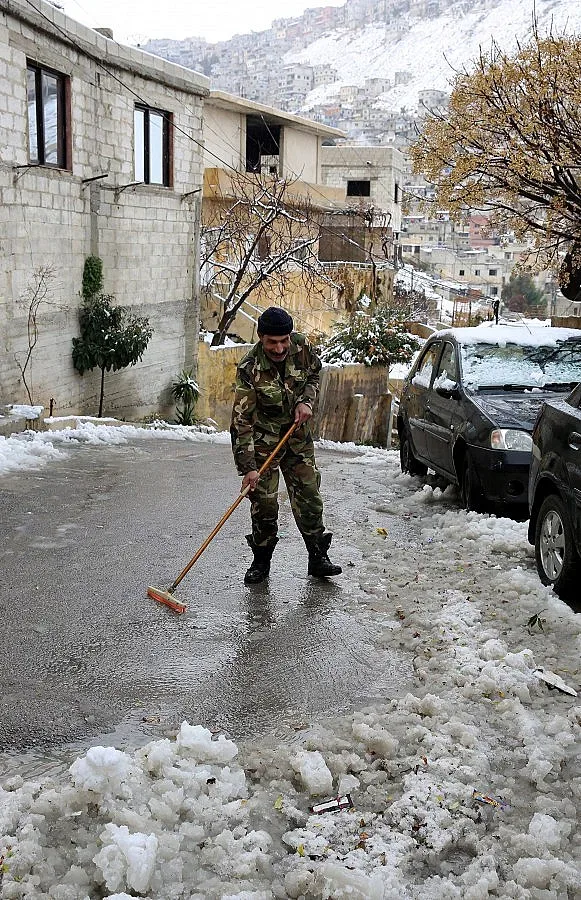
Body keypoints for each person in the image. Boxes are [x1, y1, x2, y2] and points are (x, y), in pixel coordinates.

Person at [230, 306, 342, 584]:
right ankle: (261, 561)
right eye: (272, 342)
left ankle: (318, 557)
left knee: (309, 495)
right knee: (264, 504)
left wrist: (307, 401)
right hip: (263, 443)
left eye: (284, 341)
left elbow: (315, 374)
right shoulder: (249, 368)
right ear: (261, 338)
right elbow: (241, 421)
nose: (279, 348)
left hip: (297, 437)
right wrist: (248, 468)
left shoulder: (302, 347)